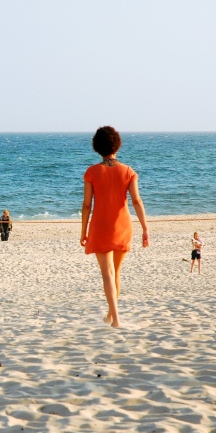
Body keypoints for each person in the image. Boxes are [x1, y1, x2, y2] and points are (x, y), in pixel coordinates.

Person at [80, 126, 149, 328]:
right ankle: (111, 315)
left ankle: (116, 318)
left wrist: (83, 231)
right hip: (123, 225)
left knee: (107, 273)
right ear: (117, 145)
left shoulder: (92, 172)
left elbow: (86, 205)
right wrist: (145, 228)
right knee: (115, 272)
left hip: (101, 226)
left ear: (97, 147)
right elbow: (136, 201)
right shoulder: (128, 171)